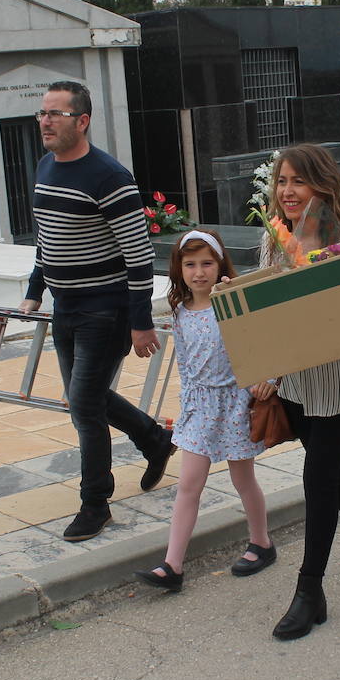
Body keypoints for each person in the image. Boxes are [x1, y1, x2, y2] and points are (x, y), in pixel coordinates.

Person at [19, 81, 174, 543]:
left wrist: (140, 321)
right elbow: (47, 239)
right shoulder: (46, 167)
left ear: (82, 121)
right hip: (65, 308)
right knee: (85, 398)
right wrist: (34, 290)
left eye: (56, 114)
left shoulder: (110, 177)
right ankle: (153, 438)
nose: (45, 122)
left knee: (84, 405)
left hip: (105, 311)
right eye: (42, 113)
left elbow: (138, 254)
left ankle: (95, 503)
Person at [261, 144, 340, 641]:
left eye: (297, 181)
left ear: (321, 185)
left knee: (318, 475)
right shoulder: (273, 239)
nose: (287, 192)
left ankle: (309, 592)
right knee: (330, 467)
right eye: (281, 181)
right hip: (295, 380)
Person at [133, 230, 277, 592]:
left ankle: (261, 542)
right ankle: (172, 565)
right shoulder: (180, 312)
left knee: (243, 479)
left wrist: (267, 378)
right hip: (199, 408)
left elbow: (262, 343)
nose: (199, 272)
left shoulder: (231, 302)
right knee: (188, 485)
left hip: (234, 405)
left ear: (220, 265)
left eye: (207, 263)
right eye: (191, 264)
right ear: (179, 269)